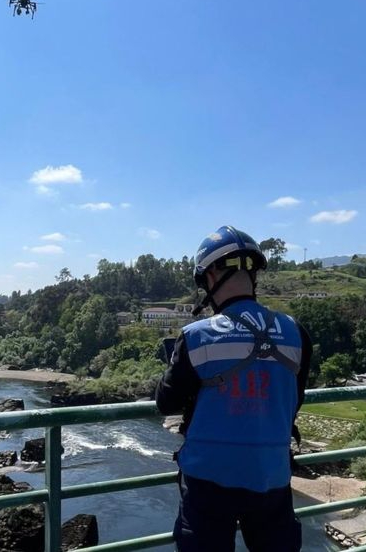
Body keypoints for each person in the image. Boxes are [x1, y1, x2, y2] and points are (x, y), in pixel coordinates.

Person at [156, 226, 312, 552]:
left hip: (208, 482)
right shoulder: (295, 332)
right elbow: (292, 400)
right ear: (252, 275)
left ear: (211, 275)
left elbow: (166, 402)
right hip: (272, 478)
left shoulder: (196, 336)